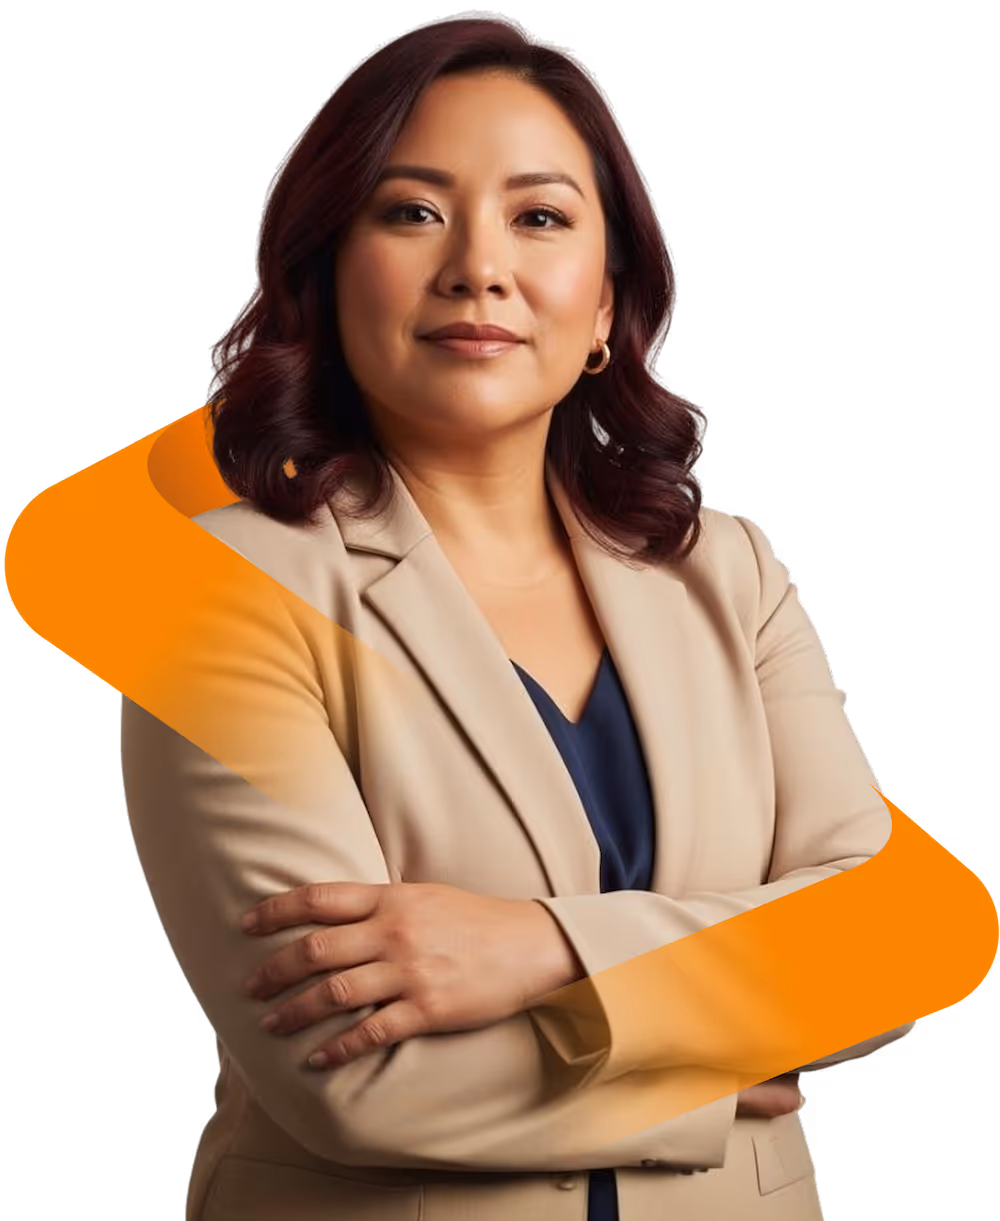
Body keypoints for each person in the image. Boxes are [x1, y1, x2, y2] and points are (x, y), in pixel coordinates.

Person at [120, 12, 915, 1219]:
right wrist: (722, 1060)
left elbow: (879, 944)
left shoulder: (730, 571)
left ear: (605, 308)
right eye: (411, 212)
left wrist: (537, 947)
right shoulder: (223, 595)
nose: (476, 266)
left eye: (539, 217)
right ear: (327, 275)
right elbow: (359, 1080)